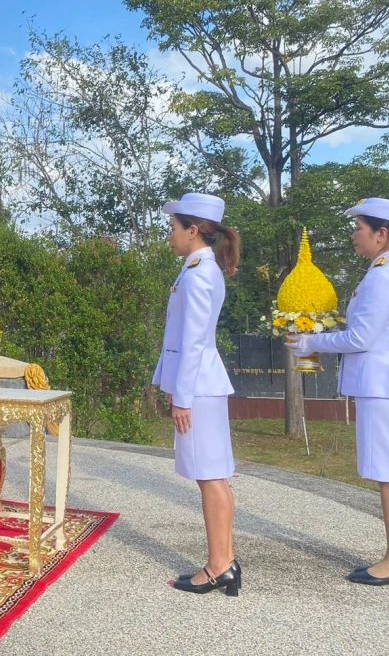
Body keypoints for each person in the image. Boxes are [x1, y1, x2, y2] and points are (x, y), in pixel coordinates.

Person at [286, 197, 389, 588]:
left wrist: (310, 342)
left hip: (382, 385)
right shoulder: (384, 270)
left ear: (382, 234)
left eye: (359, 228)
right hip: (384, 384)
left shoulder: (384, 275)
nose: (354, 235)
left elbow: (361, 338)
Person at [153, 193, 241, 596]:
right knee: (213, 475)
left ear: (193, 230)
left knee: (210, 477)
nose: (169, 235)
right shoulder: (197, 268)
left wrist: (181, 397)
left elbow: (193, 342)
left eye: (173, 228)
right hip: (201, 384)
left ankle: (220, 566)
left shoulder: (200, 273)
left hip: (198, 387)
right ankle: (224, 560)